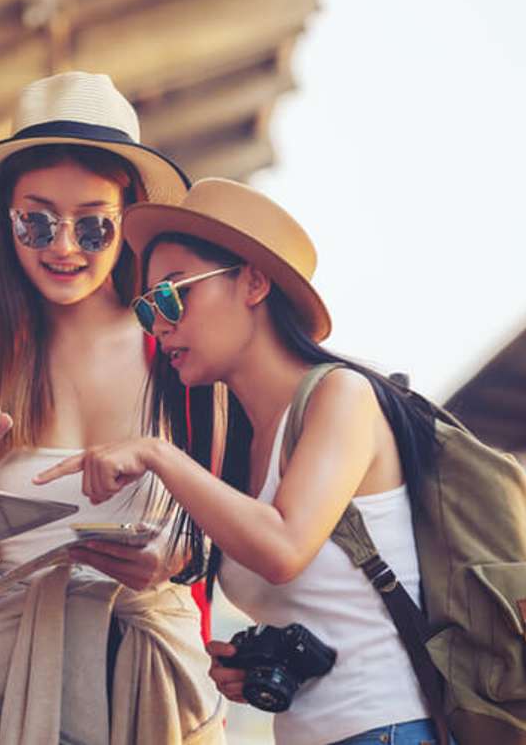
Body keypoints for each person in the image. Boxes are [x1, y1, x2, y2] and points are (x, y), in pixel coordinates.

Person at [35, 178, 448, 745]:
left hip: (387, 730)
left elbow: (282, 548)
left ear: (253, 282)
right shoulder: (247, 442)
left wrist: (158, 454)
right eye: (149, 304)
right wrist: (254, 663)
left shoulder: (342, 397)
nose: (160, 323)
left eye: (174, 294)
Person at [0, 71, 226, 744]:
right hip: (9, 692)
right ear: (5, 221)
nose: (64, 245)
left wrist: (176, 557)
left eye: (94, 224)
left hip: (159, 693)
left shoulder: (181, 350)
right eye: (37, 220)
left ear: (129, 219)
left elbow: (240, 537)